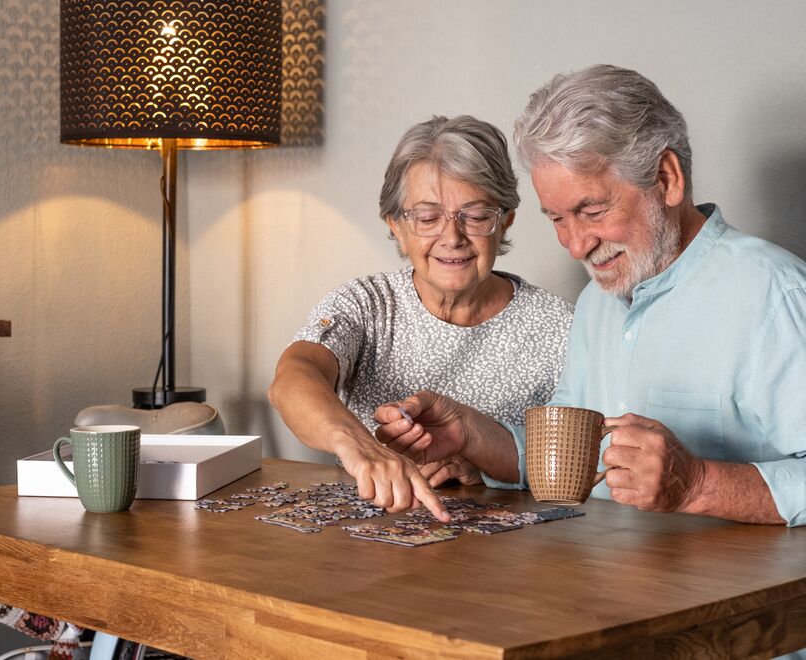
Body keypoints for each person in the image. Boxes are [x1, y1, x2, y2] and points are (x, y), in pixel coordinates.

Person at [376, 65, 806, 530]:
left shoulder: (774, 295)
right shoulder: (597, 301)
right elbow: (568, 463)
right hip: (601, 588)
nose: (576, 245)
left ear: (666, 179)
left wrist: (699, 483)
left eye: (592, 210)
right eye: (558, 219)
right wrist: (469, 436)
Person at [268, 115, 574, 521]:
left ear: (506, 221)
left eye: (476, 215)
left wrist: (482, 471)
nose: (452, 237)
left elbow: (583, 470)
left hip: (515, 561)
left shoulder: (562, 325)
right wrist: (364, 449)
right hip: (365, 548)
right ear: (395, 225)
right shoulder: (365, 303)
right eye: (427, 218)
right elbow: (292, 378)